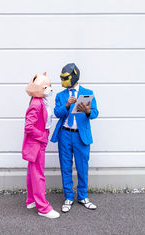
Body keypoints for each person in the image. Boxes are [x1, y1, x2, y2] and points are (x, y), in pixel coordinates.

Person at [50, 63, 99, 213]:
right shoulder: (61, 95)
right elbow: (57, 113)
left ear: (74, 76)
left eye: (65, 78)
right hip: (65, 134)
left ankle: (83, 196)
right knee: (65, 166)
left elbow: (96, 113)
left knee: (82, 167)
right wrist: (66, 105)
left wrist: (88, 111)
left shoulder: (87, 93)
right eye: (61, 78)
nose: (63, 81)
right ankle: (69, 197)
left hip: (81, 136)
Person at [22, 72, 60, 219]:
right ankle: (43, 207)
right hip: (37, 144)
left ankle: (31, 200)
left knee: (32, 172)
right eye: (46, 86)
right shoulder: (37, 103)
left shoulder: (40, 101)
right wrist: (43, 137)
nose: (50, 89)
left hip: (37, 144)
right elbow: (28, 127)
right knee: (38, 175)